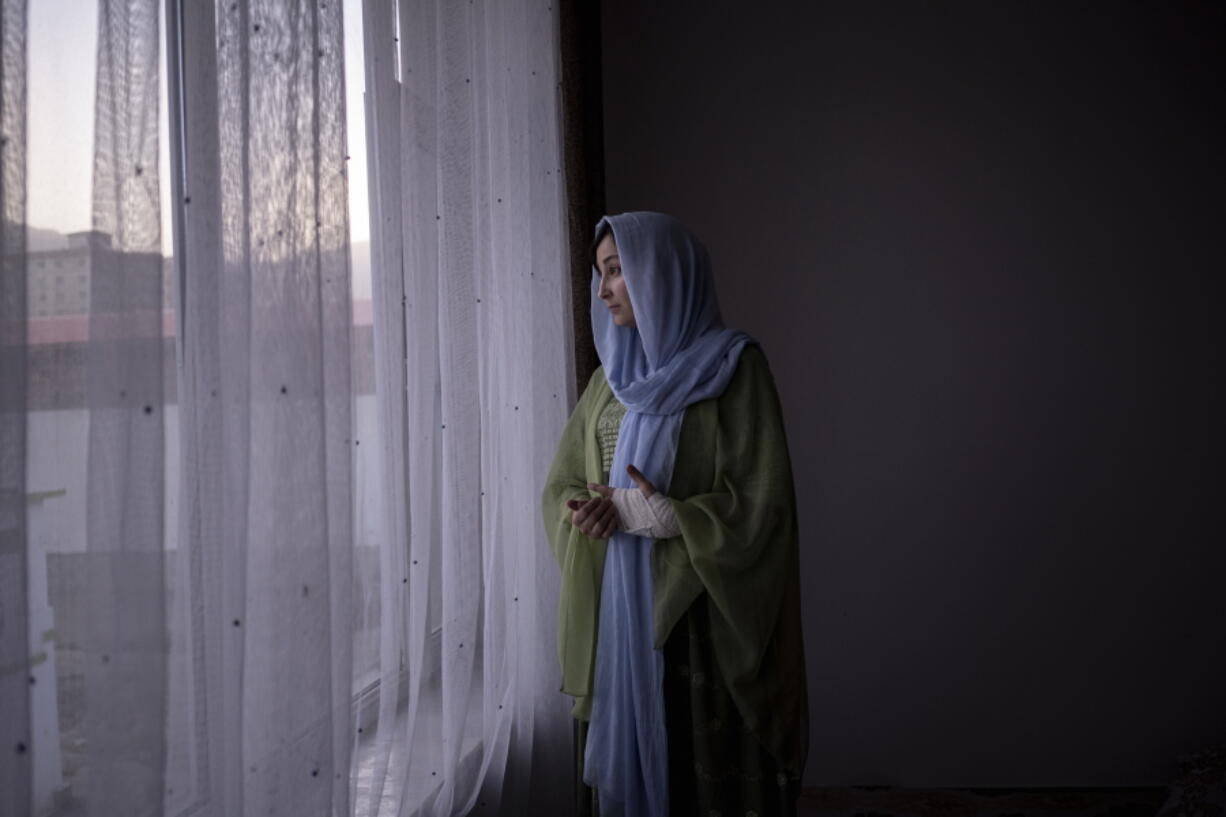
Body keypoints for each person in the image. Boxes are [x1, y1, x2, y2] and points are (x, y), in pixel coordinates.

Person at [541, 211, 809, 817]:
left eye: (616, 271)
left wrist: (661, 517)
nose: (603, 288)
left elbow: (765, 503)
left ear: (661, 275)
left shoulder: (734, 370)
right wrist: (584, 512)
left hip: (698, 621)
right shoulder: (608, 384)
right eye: (600, 274)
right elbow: (559, 482)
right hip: (621, 621)